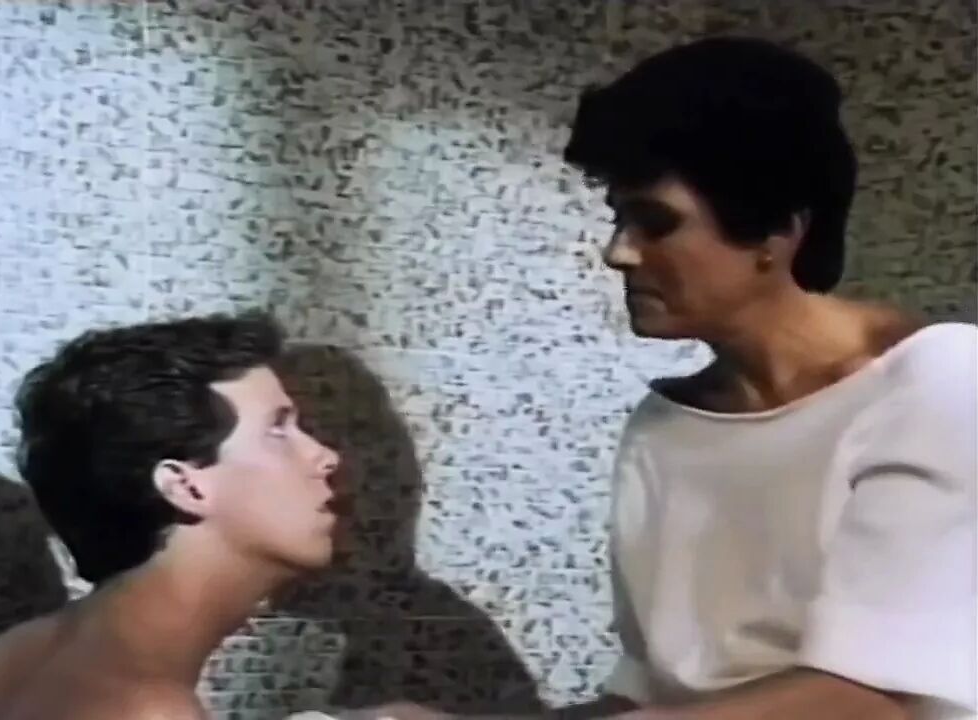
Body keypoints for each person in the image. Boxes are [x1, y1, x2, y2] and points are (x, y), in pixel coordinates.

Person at [362, 37, 977, 720]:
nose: (618, 252)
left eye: (656, 222)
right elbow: (646, 697)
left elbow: (874, 697)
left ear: (777, 231)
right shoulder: (663, 428)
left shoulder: (938, 381)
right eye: (620, 218)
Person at [0, 311, 341, 719]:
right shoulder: (147, 709)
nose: (325, 456)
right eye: (278, 429)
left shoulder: (14, 654)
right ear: (184, 486)